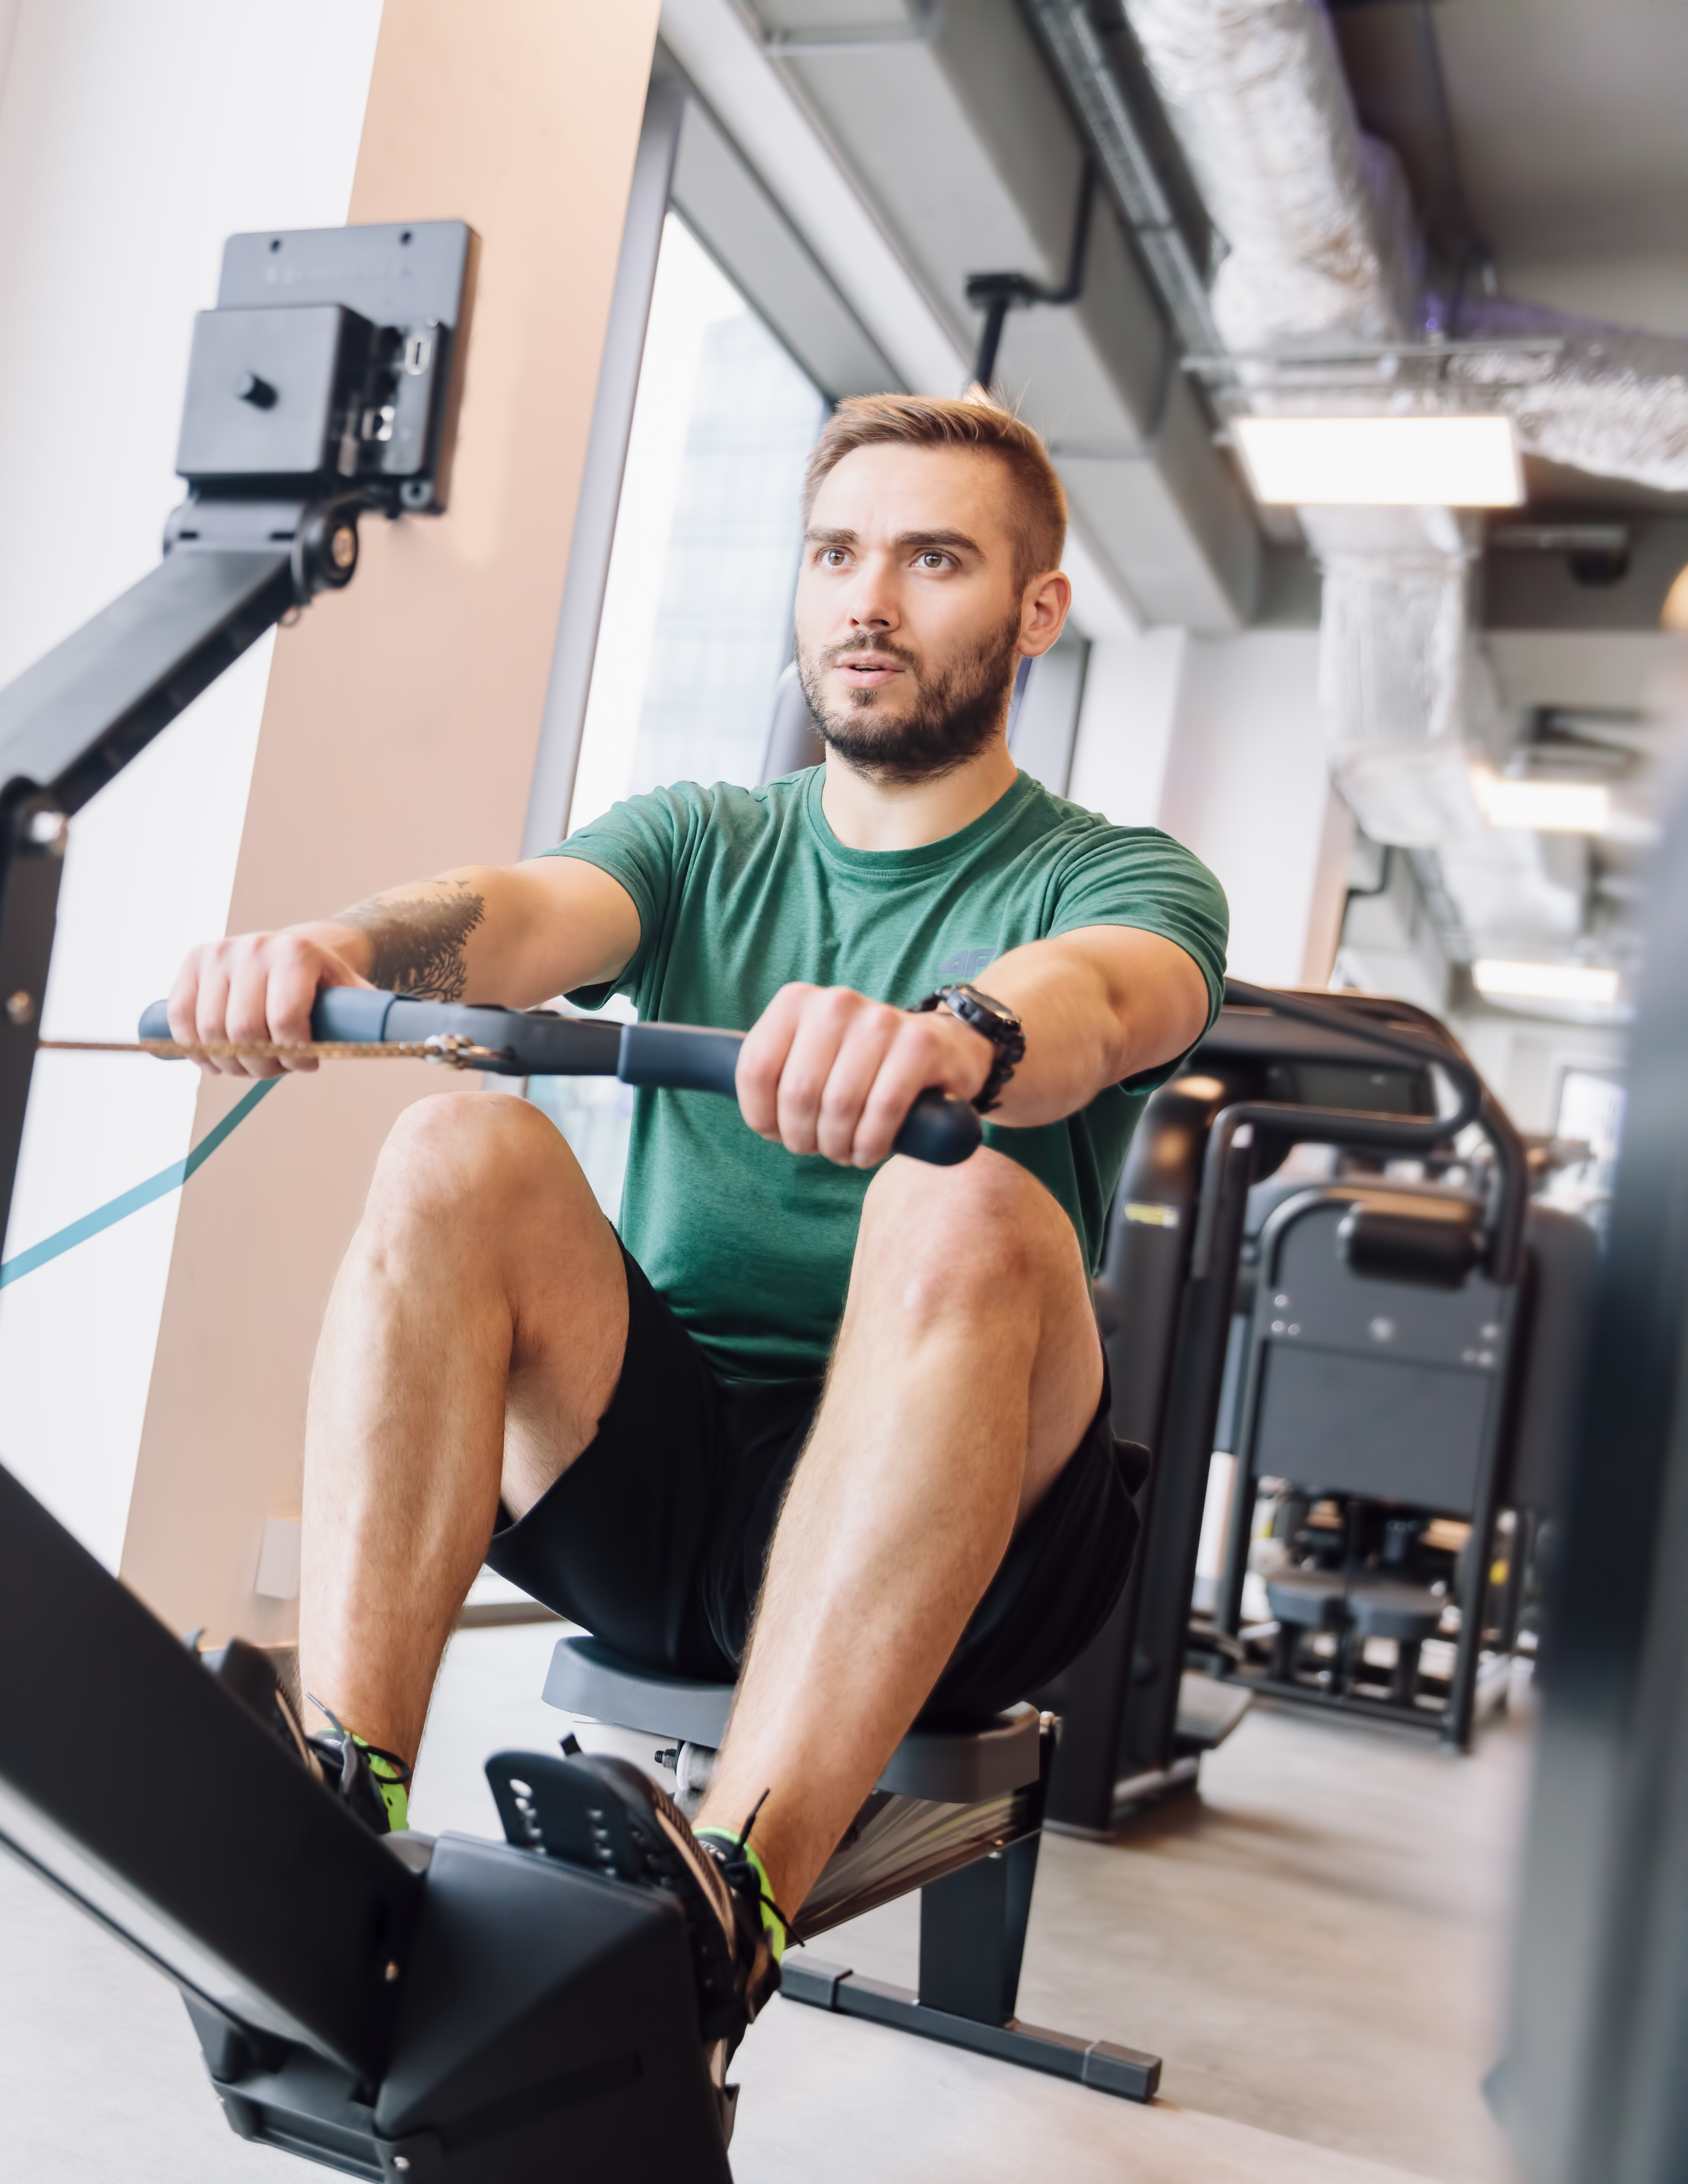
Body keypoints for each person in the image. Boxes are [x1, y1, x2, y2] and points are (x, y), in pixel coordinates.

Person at [165, 394, 1227, 2113]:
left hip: (972, 1552)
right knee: (456, 1140)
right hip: (659, 1492)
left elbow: (1116, 994)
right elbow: (517, 914)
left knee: (961, 1198)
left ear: (1037, 611)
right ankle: (340, 1809)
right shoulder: (711, 840)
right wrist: (343, 942)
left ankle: (723, 1909)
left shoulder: (1114, 873)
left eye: (932, 557)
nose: (867, 599)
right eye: (836, 554)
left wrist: (959, 1034)